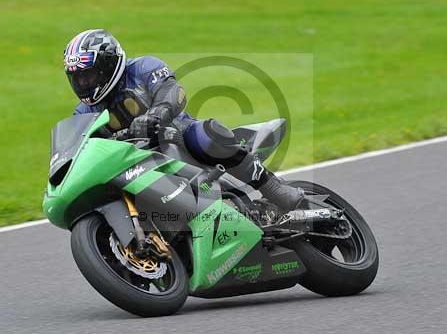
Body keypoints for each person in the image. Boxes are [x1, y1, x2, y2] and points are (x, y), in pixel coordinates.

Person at [64, 28, 304, 211]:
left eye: (89, 75)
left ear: (108, 65)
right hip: (131, 164)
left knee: (205, 134)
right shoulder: (83, 113)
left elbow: (173, 92)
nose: (84, 84)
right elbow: (80, 149)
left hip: (174, 135)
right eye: (77, 78)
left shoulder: (142, 68)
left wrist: (156, 114)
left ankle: (272, 187)